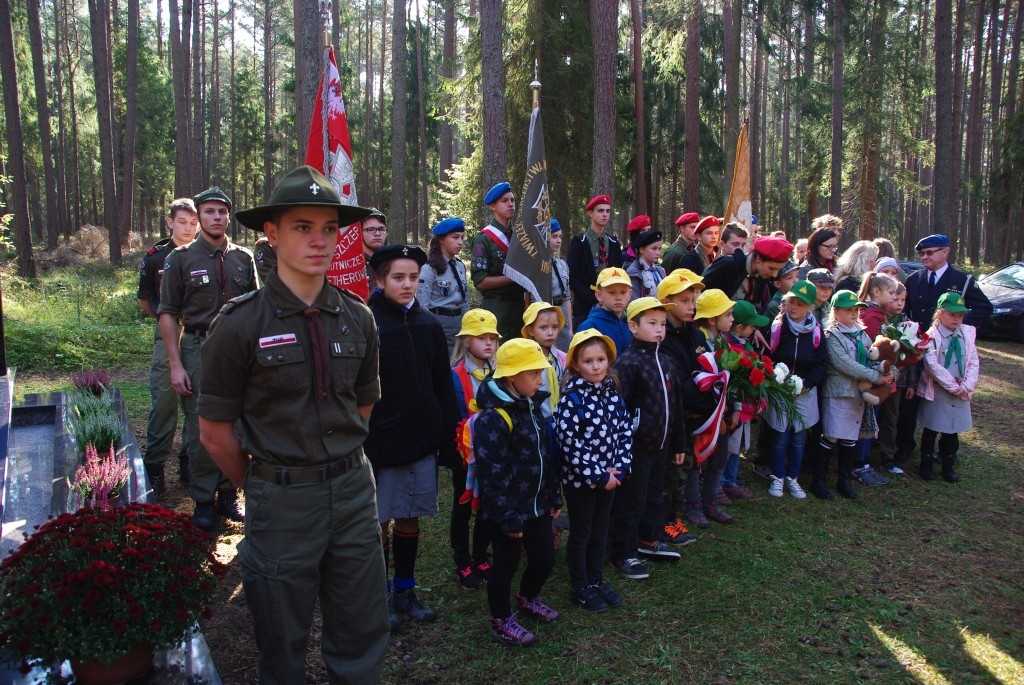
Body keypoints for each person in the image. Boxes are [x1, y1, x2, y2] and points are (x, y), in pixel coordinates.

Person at [198, 165, 389, 684]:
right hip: (280, 499)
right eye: (302, 227)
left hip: (352, 491)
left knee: (361, 629)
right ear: (272, 232)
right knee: (280, 637)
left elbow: (363, 407)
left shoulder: (359, 317)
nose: (319, 240)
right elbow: (214, 433)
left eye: (328, 228)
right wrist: (264, 484)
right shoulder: (239, 326)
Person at [365, 243, 459, 631]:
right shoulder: (368, 324)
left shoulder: (428, 325)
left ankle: (405, 588)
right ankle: (379, 594)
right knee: (379, 521)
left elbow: (442, 384)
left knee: (409, 517)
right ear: (380, 279)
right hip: (381, 444)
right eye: (398, 278)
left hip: (420, 441)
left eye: (414, 279)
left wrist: (449, 438)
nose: (407, 285)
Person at [159, 185, 258, 531]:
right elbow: (168, 313)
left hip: (237, 352)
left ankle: (229, 493)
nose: (216, 217)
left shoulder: (243, 259)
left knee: (239, 423)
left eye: (222, 212)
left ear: (228, 216)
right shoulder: (181, 259)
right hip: (197, 347)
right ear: (199, 217)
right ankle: (203, 499)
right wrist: (175, 364)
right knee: (202, 427)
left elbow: (255, 310)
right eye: (209, 212)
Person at [474, 338, 563, 646]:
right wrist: (506, 516)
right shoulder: (493, 418)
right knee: (505, 564)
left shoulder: (533, 405)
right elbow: (491, 471)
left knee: (544, 558)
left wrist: (553, 494)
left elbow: (545, 455)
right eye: (534, 373)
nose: (541, 379)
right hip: (508, 510)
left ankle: (527, 597)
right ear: (512, 377)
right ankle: (500, 617)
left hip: (537, 503)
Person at [555, 329, 632, 612]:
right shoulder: (570, 400)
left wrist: (620, 469)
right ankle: (580, 585)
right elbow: (570, 444)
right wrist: (599, 476)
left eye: (601, 359)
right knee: (582, 531)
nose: (596, 366)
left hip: (611, 477)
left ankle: (596, 579)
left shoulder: (612, 394)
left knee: (600, 530)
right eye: (588, 361)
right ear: (576, 364)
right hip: (582, 483)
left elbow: (624, 431)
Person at [609, 297, 686, 580]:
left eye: (663, 324)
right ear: (633, 326)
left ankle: (648, 538)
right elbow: (617, 409)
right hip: (635, 448)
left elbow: (676, 405)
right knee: (632, 499)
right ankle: (622, 552)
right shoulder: (627, 363)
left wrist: (679, 443)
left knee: (655, 494)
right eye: (651, 323)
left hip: (662, 445)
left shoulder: (667, 361)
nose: (659, 330)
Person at [899, 234, 992, 463]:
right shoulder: (913, 279)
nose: (925, 257)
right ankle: (905, 446)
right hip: (918, 348)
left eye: (930, 252)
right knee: (910, 399)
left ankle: (947, 450)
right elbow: (906, 312)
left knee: (946, 399)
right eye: (922, 253)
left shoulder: (962, 280)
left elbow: (984, 308)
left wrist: (956, 324)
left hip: (947, 351)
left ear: (945, 252)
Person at [137, 197, 197, 494]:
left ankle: (189, 461)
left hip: (201, 335)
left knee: (197, 400)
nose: (188, 228)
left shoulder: (204, 254)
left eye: (192, 223)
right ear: (170, 222)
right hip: (169, 333)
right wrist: (167, 321)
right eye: (182, 222)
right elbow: (145, 299)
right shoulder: (156, 256)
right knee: (164, 401)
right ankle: (155, 467)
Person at [818, 291, 892, 500]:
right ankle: (819, 480)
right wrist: (877, 378)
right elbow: (845, 364)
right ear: (836, 312)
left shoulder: (861, 333)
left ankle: (844, 481)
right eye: (848, 310)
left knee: (850, 438)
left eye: (856, 310)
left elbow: (872, 356)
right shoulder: (832, 336)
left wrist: (886, 370)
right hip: (839, 393)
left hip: (858, 396)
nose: (854, 313)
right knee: (832, 436)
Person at [449, 310, 501, 589]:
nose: (488, 343)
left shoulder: (500, 373)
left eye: (492, 337)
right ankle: (462, 561)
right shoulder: (454, 375)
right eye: (481, 337)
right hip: (464, 455)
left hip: (492, 454)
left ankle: (481, 556)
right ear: (466, 341)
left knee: (487, 506)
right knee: (463, 506)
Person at [657, 270, 708, 544]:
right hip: (672, 416)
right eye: (685, 300)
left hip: (691, 416)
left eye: (694, 299)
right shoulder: (663, 337)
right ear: (666, 301)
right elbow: (676, 380)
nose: (692, 305)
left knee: (683, 468)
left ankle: (673, 516)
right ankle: (663, 520)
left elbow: (704, 368)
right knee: (669, 471)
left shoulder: (693, 332)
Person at [767, 281, 828, 499]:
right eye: (791, 301)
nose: (793, 307)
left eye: (800, 304)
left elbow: (822, 363)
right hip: (781, 389)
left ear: (810, 307)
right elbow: (768, 355)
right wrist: (775, 377)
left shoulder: (816, 332)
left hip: (804, 391)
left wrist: (808, 383)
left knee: (798, 437)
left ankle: (792, 477)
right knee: (781, 435)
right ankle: (777, 476)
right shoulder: (777, 326)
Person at [686, 289, 738, 527]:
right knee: (696, 460)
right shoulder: (696, 340)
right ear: (711, 319)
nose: (732, 319)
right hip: (702, 414)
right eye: (727, 314)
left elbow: (731, 378)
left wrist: (732, 407)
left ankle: (711, 500)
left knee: (719, 457)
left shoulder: (724, 340)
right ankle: (693, 505)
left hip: (720, 413)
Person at [917, 292, 979, 483]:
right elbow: (932, 365)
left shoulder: (966, 335)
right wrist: (953, 386)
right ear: (940, 314)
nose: (956, 319)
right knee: (932, 429)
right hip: (939, 392)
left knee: (952, 432)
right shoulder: (931, 337)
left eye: (960, 315)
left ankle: (948, 466)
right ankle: (926, 466)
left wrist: (967, 385)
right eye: (952, 314)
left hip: (960, 392)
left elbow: (973, 361)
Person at [718, 300, 769, 503]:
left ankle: (730, 480)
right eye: (752, 326)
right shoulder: (729, 346)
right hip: (734, 407)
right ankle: (721, 482)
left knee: (738, 446)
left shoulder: (744, 343)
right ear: (739, 327)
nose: (755, 329)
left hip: (746, 407)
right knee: (729, 446)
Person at [471, 182, 526, 341]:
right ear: (493, 206)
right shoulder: (484, 239)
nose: (510, 204)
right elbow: (480, 281)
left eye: (512, 200)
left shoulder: (520, 238)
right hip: (497, 308)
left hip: (520, 307)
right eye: (504, 201)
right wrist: (512, 277)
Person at [567, 194, 623, 329]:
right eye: (600, 210)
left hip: (610, 307)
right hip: (585, 308)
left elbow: (619, 273)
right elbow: (572, 277)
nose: (605, 214)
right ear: (590, 213)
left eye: (607, 211)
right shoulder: (579, 243)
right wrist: (595, 297)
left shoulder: (613, 243)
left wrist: (608, 298)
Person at [877, 282, 916, 475]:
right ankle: (864, 454)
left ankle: (887, 456)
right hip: (878, 377)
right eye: (895, 298)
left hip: (898, 380)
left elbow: (913, 355)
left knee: (892, 417)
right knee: (874, 414)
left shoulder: (907, 323)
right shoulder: (880, 319)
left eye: (903, 300)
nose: (899, 303)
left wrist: (911, 382)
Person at [701, 235, 794, 315]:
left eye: (778, 270)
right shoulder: (728, 264)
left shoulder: (762, 276)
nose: (775, 275)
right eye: (771, 268)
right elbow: (699, 291)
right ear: (758, 259)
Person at [419, 217, 470, 353]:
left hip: (460, 323)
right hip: (439, 322)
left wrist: (468, 323)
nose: (460, 242)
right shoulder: (429, 269)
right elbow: (422, 304)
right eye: (455, 237)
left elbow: (464, 299)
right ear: (441, 239)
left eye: (462, 238)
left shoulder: (459, 266)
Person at [521, 302, 567, 419]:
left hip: (563, 420)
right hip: (536, 421)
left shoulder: (564, 359)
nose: (550, 333)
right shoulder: (524, 362)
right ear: (530, 330)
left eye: (555, 327)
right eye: (543, 327)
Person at [576, 266, 632, 357]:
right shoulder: (589, 327)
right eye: (612, 293)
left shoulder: (632, 323)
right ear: (599, 295)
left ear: (629, 294)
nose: (618, 298)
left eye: (623, 292)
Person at [549, 219, 573, 350]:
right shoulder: (537, 267)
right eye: (554, 237)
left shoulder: (561, 264)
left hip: (561, 313)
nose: (558, 241)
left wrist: (570, 327)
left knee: (564, 356)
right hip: (547, 312)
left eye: (560, 237)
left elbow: (567, 298)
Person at [625, 229, 665, 299]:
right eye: (654, 248)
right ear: (642, 250)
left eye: (659, 249)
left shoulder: (660, 271)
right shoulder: (633, 273)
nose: (658, 253)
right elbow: (634, 302)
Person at [361, 208, 388, 285]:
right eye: (371, 229)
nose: (377, 233)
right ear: (359, 232)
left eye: (381, 229)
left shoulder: (390, 263)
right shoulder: (353, 264)